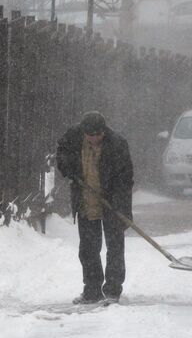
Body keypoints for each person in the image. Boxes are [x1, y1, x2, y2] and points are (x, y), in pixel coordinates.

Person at [56, 111, 134, 304]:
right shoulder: (72, 137)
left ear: (103, 132)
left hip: (112, 203)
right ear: (84, 133)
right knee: (89, 248)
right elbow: (61, 155)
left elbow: (126, 178)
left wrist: (119, 203)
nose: (93, 139)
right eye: (90, 136)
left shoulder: (117, 144)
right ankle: (92, 291)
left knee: (115, 247)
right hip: (86, 200)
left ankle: (113, 291)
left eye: (97, 136)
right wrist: (68, 169)